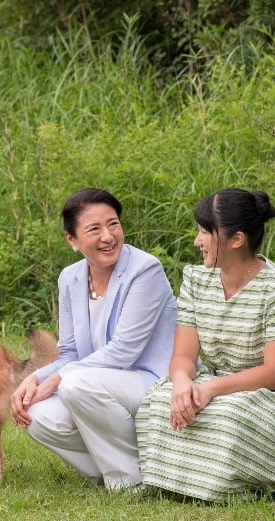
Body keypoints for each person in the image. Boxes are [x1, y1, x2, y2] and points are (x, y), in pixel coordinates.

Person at [136, 187, 275, 501]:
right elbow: (184, 356)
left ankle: (233, 483)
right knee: (158, 403)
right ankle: (189, 482)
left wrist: (210, 389)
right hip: (216, 381)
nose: (196, 241)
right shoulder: (196, 279)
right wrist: (183, 383)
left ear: (236, 239)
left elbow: (274, 374)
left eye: (204, 232)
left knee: (230, 417)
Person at [10, 188, 177, 490]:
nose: (108, 236)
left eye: (113, 224)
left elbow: (124, 351)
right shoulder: (70, 278)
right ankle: (121, 468)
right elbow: (71, 351)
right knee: (38, 414)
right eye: (94, 229)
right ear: (72, 240)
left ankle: (129, 482)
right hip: (95, 386)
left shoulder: (145, 270)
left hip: (152, 381)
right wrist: (34, 379)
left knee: (75, 385)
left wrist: (58, 378)